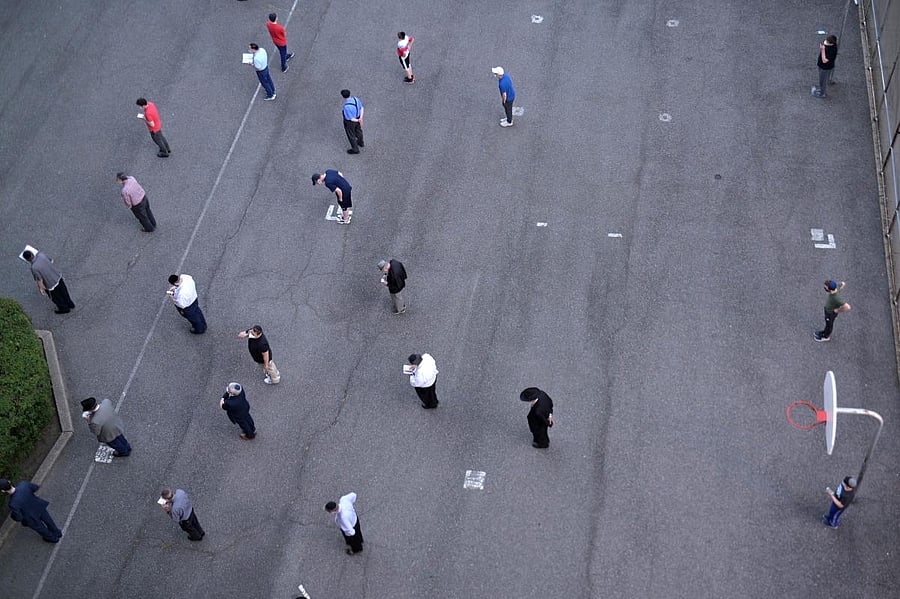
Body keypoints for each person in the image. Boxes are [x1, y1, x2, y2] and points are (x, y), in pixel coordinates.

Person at [0, 479, 63, 543]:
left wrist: (13, 516)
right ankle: (57, 532)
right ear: (9, 481)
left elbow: (19, 517)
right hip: (38, 506)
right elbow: (35, 487)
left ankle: (53, 538)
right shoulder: (23, 485)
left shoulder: (12, 503)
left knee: (40, 528)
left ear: (3, 491)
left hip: (30, 517)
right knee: (48, 520)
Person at [22, 249, 75, 314]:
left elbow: (39, 279)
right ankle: (70, 303)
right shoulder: (41, 255)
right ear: (32, 253)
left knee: (56, 297)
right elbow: (51, 260)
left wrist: (41, 289)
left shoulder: (34, 268)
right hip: (57, 276)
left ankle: (64, 308)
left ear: (27, 259)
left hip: (50, 284)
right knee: (64, 291)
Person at [341, 90, 365, 154]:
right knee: (359, 131)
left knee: (351, 135)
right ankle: (360, 142)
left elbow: (351, 119)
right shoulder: (356, 99)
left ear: (343, 96)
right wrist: (360, 118)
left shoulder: (346, 107)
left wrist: (358, 120)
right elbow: (361, 108)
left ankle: (355, 149)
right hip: (358, 117)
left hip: (350, 122)